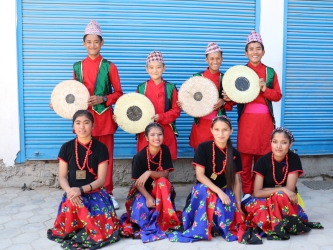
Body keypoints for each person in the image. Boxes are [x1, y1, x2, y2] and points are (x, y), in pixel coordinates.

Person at [51, 20, 123, 208]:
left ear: (102, 43)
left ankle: (108, 193)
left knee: (105, 156)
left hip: (104, 118)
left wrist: (103, 99)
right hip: (84, 120)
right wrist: (59, 104)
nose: (92, 45)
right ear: (84, 43)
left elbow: (119, 94)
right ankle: (84, 190)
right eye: (89, 41)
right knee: (82, 156)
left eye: (96, 41)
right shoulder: (77, 67)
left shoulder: (110, 66)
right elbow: (72, 94)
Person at [47, 110, 121, 249]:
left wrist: (80, 190)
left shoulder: (101, 148)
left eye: (86, 123)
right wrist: (70, 191)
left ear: (93, 126)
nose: (82, 127)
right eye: (78, 123)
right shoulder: (66, 147)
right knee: (73, 203)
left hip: (94, 193)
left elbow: (101, 180)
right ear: (73, 127)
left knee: (100, 225)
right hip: (72, 194)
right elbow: (62, 176)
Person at [223, 31, 282, 200]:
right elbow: (230, 103)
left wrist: (265, 90)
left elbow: (277, 96)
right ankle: (247, 193)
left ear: (263, 52)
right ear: (246, 53)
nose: (255, 52)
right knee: (245, 161)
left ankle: (259, 192)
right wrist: (227, 98)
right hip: (247, 124)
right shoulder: (239, 72)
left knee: (263, 160)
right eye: (251, 49)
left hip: (265, 124)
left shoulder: (270, 73)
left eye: (258, 48)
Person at [239, 127, 323, 244]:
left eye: (283, 143)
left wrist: (280, 191)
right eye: (275, 142)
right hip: (263, 199)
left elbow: (290, 190)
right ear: (270, 143)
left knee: (280, 196)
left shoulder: (293, 159)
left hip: (284, 200)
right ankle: (276, 224)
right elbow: (257, 192)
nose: (278, 146)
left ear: (290, 144)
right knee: (264, 207)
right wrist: (282, 188)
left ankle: (274, 223)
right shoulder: (262, 161)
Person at [168, 116, 244, 243]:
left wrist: (238, 204)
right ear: (211, 130)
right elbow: (200, 176)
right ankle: (203, 227)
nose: (221, 133)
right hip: (204, 191)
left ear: (231, 131)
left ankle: (214, 224)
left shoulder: (235, 153)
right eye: (217, 129)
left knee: (229, 214)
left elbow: (236, 182)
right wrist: (218, 192)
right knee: (205, 192)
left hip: (225, 191)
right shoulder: (203, 148)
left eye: (225, 130)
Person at [120, 123, 181, 242]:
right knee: (141, 210)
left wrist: (149, 172)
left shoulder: (165, 150)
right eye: (152, 135)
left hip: (161, 190)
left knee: (162, 181)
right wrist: (148, 197)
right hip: (143, 190)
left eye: (159, 134)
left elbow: (165, 174)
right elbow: (138, 183)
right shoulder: (139, 157)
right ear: (146, 137)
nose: (156, 138)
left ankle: (167, 219)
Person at [177, 42, 233, 151]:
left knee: (219, 155)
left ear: (222, 59)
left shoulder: (225, 79)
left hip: (219, 125)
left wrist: (224, 102)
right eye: (211, 59)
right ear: (206, 60)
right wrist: (183, 103)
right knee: (201, 156)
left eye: (218, 58)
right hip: (201, 124)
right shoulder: (197, 78)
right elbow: (188, 96)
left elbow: (232, 103)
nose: (215, 61)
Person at [136, 51, 180, 161]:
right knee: (146, 162)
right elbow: (134, 110)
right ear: (146, 69)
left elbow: (176, 110)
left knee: (164, 164)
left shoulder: (171, 88)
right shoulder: (141, 88)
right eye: (151, 67)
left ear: (164, 68)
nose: (154, 70)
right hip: (145, 132)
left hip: (165, 131)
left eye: (158, 67)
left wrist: (160, 117)